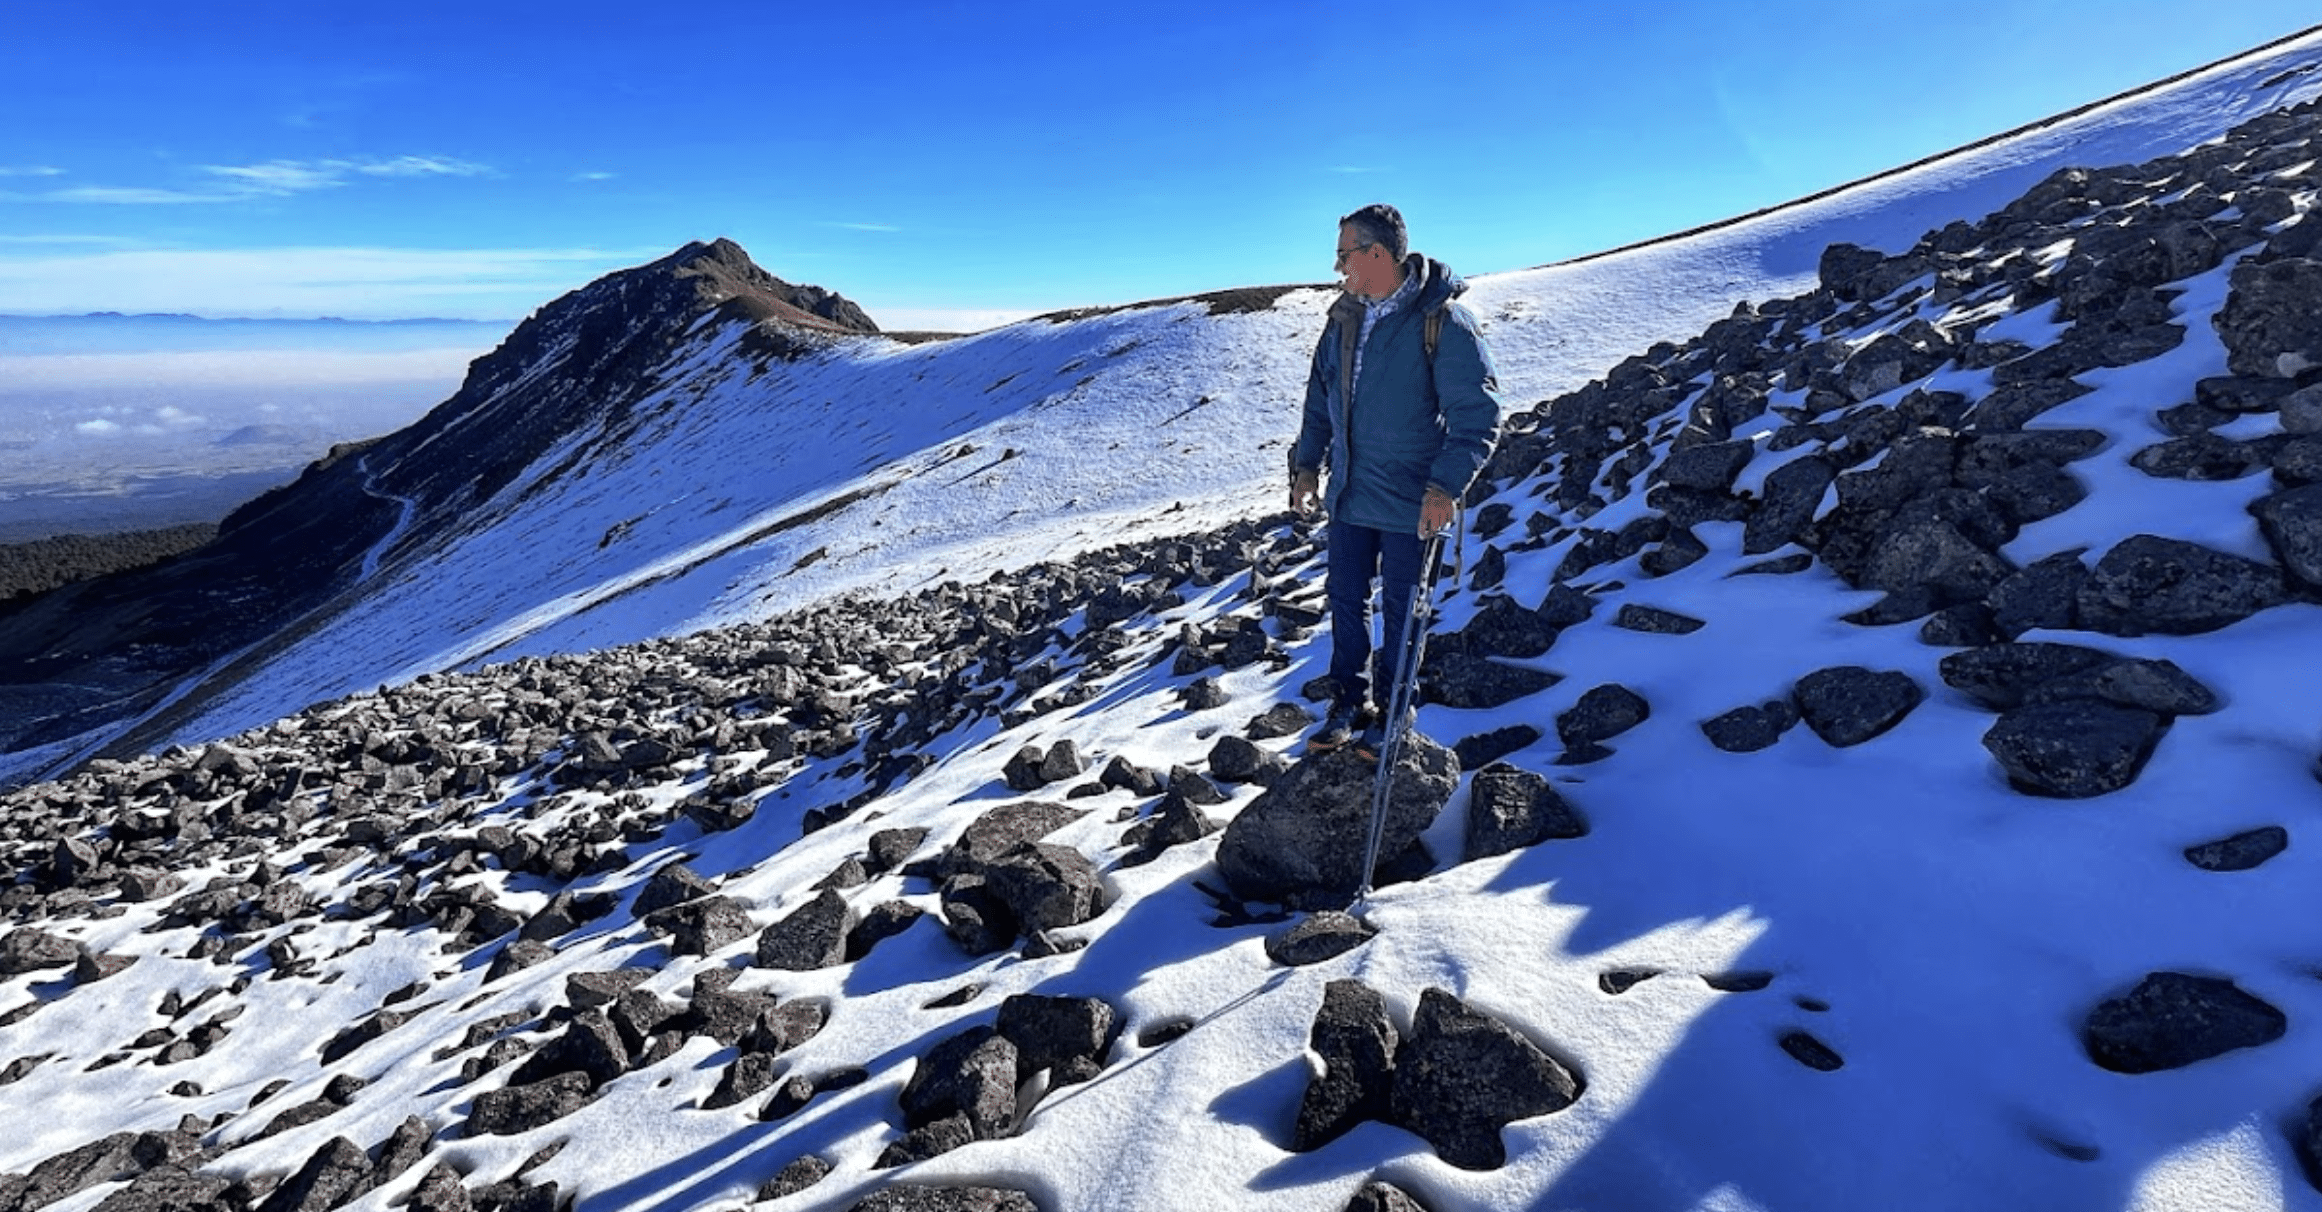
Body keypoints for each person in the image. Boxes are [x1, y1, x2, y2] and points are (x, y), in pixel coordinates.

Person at [1290, 203, 1502, 754]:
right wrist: (1307, 467)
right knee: (1345, 601)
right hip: (1350, 494)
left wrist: (1444, 488)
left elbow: (1477, 416)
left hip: (1413, 501)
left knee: (1404, 609)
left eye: (1344, 254)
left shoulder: (1444, 322)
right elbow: (1319, 403)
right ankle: (1347, 702)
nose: (1338, 267)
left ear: (1377, 255)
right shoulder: (1343, 320)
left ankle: (1393, 709)